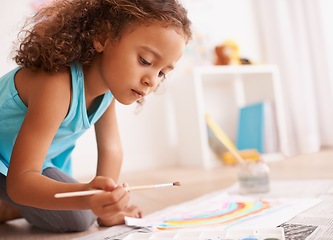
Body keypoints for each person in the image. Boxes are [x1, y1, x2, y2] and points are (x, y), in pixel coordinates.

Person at [0, 0, 192, 233]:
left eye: (162, 72)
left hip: (27, 166)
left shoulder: (106, 92)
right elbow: (20, 181)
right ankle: (12, 205)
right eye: (145, 61)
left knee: (81, 213)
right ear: (102, 37)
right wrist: (88, 200)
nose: (152, 80)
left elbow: (111, 148)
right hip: (12, 169)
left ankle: (11, 207)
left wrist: (107, 208)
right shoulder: (56, 85)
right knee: (80, 214)